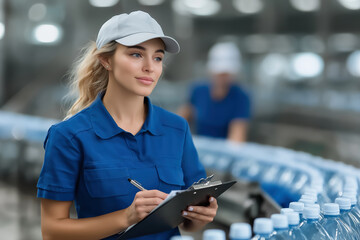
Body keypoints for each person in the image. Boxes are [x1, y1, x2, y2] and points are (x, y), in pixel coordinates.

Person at [36, 11, 218, 240]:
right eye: (136, 54)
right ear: (106, 60)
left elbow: (188, 223)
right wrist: (126, 217)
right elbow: (52, 231)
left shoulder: (177, 129)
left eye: (158, 58)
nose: (150, 67)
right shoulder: (69, 136)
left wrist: (200, 216)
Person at [178, 42, 251, 142]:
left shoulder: (241, 97)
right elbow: (179, 123)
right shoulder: (198, 91)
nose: (222, 77)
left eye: (226, 74)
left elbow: (236, 138)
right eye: (220, 73)